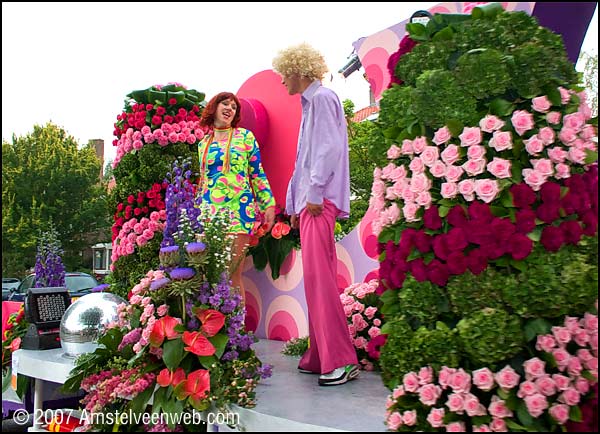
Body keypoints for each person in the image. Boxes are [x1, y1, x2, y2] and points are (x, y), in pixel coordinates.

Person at [272, 43, 359, 386]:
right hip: (312, 204)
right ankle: (321, 355)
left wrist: (313, 194)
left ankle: (341, 360)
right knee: (315, 281)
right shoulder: (311, 104)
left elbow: (328, 150)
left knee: (321, 281)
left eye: (284, 74)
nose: (282, 82)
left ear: (298, 70)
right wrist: (296, 204)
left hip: (319, 203)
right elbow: (304, 160)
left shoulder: (322, 99)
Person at [198, 92, 275, 306]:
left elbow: (257, 173)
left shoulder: (245, 137)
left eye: (233, 106)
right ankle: (214, 328)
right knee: (211, 274)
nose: (230, 108)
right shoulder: (203, 143)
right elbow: (203, 181)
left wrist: (267, 203)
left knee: (232, 273)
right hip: (208, 212)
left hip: (238, 210)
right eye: (225, 104)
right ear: (214, 107)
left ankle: (237, 330)